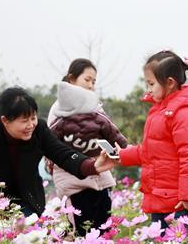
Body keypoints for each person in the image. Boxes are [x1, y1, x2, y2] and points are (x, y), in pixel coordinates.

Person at [0, 86, 116, 217]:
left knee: (31, 239)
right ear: (5, 121)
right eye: (24, 121)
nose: (31, 125)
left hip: (28, 197)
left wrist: (92, 166)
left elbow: (62, 153)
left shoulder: (39, 130)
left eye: (33, 118)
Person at [117, 50, 188, 238]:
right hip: (161, 198)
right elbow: (151, 152)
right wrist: (120, 155)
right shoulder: (160, 111)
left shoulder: (184, 113)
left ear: (170, 82)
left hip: (180, 204)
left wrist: (187, 197)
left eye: (151, 83)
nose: (149, 89)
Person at [47, 59, 128, 232]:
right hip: (73, 178)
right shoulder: (58, 109)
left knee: (103, 226)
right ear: (71, 79)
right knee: (82, 229)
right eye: (87, 79)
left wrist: (118, 150)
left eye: (93, 81)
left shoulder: (95, 108)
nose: (91, 85)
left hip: (99, 175)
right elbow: (51, 145)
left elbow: (110, 132)